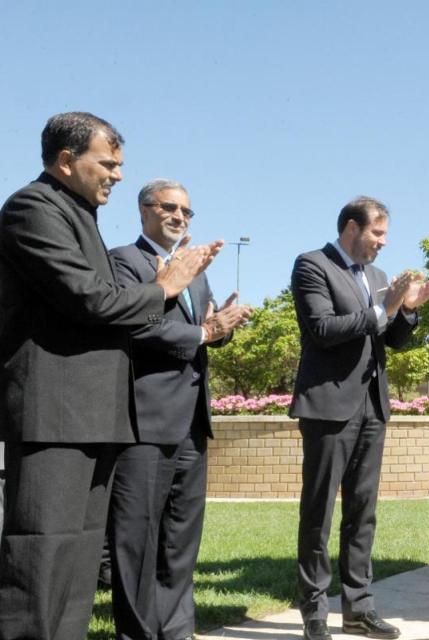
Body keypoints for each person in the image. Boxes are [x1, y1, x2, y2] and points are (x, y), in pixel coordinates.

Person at [0, 113, 219, 640]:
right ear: (67, 160)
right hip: (53, 415)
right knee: (42, 556)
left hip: (94, 416)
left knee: (75, 568)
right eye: (108, 163)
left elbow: (109, 307)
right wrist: (164, 288)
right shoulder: (33, 208)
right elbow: (90, 300)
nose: (118, 176)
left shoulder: (79, 215)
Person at [107, 179, 252, 640]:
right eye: (170, 208)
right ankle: (138, 632)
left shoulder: (196, 271)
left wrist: (220, 326)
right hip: (145, 422)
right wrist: (204, 333)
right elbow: (138, 325)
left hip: (192, 423)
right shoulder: (123, 262)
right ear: (144, 211)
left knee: (181, 539)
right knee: (137, 538)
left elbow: (199, 330)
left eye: (187, 212)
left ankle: (176, 630)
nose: (180, 217)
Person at [290, 197, 429, 640]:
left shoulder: (376, 278)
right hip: (328, 408)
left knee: (363, 513)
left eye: (385, 235)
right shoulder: (312, 265)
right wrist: (383, 310)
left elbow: (395, 341)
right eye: (378, 233)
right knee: (318, 513)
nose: (383, 243)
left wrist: (408, 310)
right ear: (352, 228)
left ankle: (358, 609)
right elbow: (321, 329)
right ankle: (315, 611)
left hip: (373, 408)